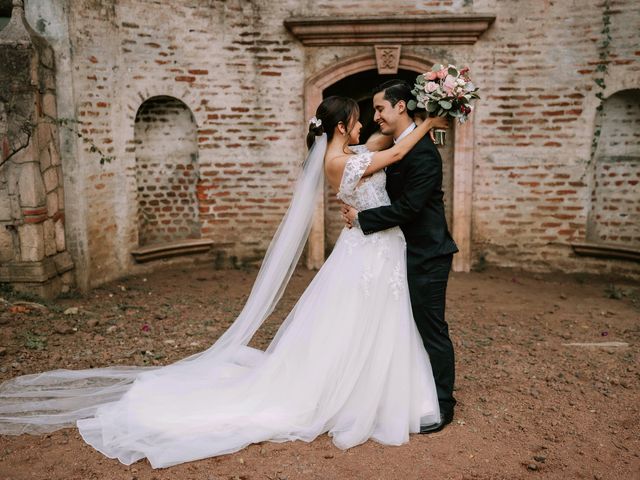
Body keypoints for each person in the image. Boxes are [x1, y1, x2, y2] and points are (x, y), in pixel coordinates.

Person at [0, 96, 448, 468]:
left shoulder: (349, 152)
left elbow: (382, 141)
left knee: (373, 320)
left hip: (376, 248)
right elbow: (392, 153)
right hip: (366, 252)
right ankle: (350, 393)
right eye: (355, 120)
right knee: (359, 318)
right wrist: (429, 122)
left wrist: (420, 112)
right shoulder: (339, 163)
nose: (363, 124)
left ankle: (377, 386)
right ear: (338, 128)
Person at [342, 80, 459, 433]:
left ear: (401, 107)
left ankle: (442, 405)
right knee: (402, 327)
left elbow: (409, 207)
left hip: (428, 253)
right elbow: (371, 156)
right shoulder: (399, 145)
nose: (375, 115)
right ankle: (408, 392)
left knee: (431, 328)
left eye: (379, 108)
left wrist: (363, 218)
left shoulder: (423, 153)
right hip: (397, 252)